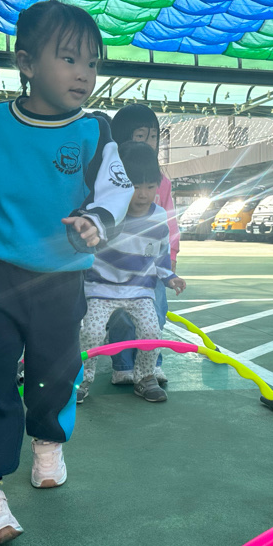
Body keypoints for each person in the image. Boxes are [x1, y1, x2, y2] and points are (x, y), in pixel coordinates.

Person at [0, 0, 134, 546]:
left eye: (92, 63)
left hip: (60, 280)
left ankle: (47, 442)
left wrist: (95, 220)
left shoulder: (95, 130)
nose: (84, 74)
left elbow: (115, 188)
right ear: (27, 63)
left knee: (54, 371)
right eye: (69, 59)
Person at [78, 141, 186, 404]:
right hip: (101, 288)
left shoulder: (158, 217)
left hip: (139, 290)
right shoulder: (107, 214)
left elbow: (160, 255)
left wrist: (170, 277)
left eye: (150, 187)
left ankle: (145, 377)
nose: (143, 194)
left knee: (151, 332)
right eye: (136, 186)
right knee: (91, 334)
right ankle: (81, 380)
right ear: (122, 184)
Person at [104, 103, 180, 387]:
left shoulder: (161, 181)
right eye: (140, 136)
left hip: (151, 262)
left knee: (155, 311)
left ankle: (152, 364)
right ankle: (123, 365)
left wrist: (171, 255)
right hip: (117, 264)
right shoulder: (109, 177)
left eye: (153, 136)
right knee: (121, 315)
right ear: (122, 137)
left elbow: (169, 221)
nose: (149, 143)